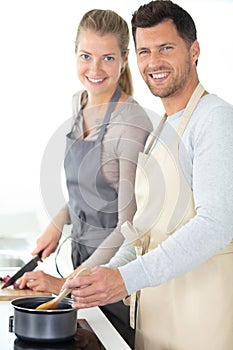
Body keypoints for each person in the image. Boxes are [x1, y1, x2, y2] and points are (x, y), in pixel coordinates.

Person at [64, 1, 233, 350]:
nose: (153, 62)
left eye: (166, 48)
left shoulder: (215, 119)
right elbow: (143, 228)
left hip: (200, 327)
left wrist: (125, 278)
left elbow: (218, 223)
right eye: (145, 51)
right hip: (154, 323)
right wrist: (104, 275)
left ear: (195, 50)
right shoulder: (161, 130)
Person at [16, 9, 153, 348]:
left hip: (112, 279)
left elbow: (129, 225)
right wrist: (56, 223)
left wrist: (65, 283)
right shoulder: (78, 104)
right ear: (75, 54)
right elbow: (89, 188)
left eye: (108, 57)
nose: (95, 69)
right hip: (80, 267)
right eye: (86, 56)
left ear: (125, 59)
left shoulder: (129, 126)